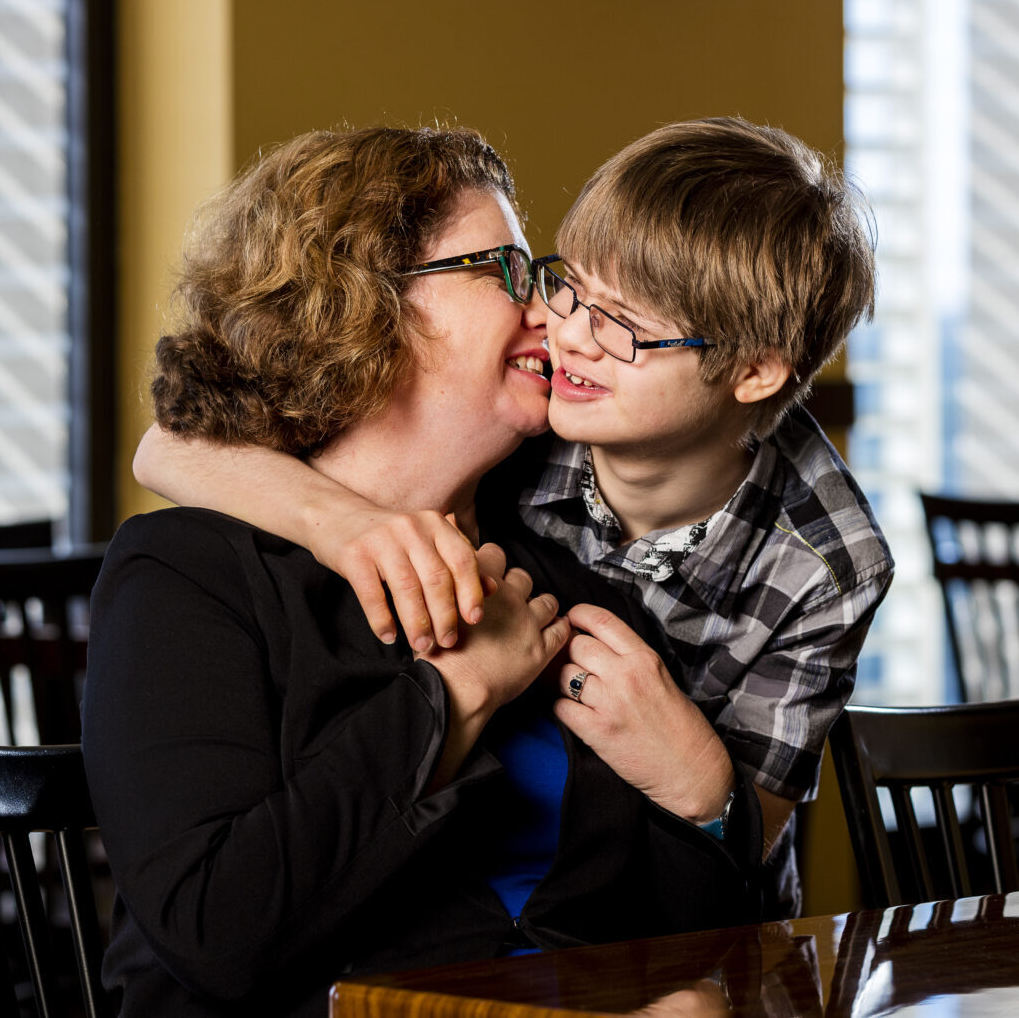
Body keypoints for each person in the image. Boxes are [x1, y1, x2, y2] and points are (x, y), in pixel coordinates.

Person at [83, 125, 768, 1018]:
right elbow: (219, 937)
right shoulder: (190, 578)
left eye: (543, 275)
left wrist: (703, 795)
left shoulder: (564, 578)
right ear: (358, 303)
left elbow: (698, 955)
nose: (551, 312)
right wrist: (456, 696)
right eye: (504, 272)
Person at [132, 117, 893, 913]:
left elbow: (748, 840)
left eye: (626, 324)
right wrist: (344, 524)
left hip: (688, 912)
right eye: (564, 285)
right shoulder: (534, 418)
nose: (568, 334)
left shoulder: (829, 559)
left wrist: (697, 773)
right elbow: (168, 448)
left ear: (754, 370)